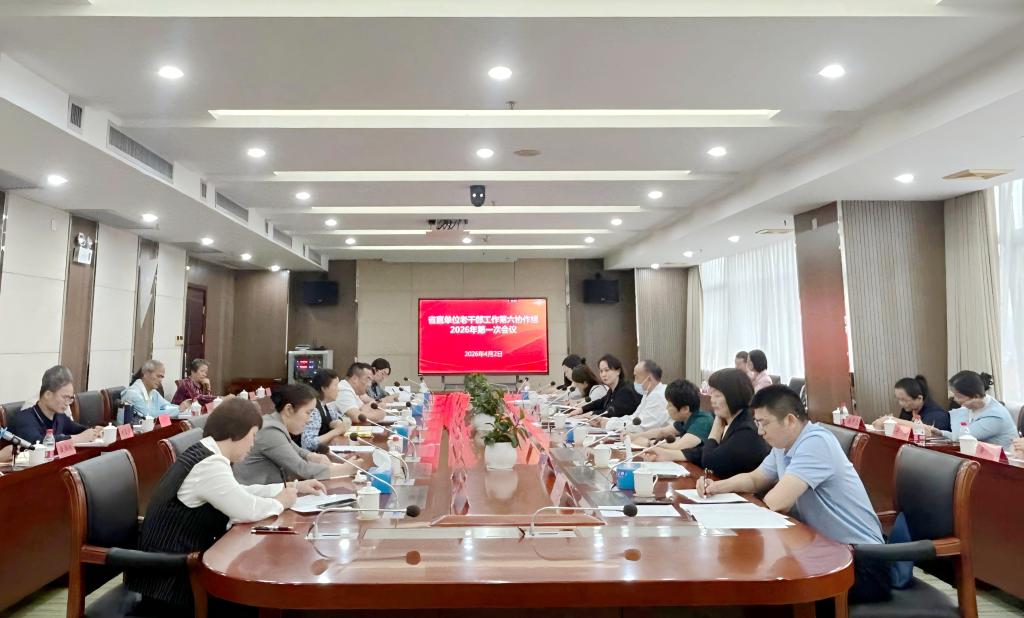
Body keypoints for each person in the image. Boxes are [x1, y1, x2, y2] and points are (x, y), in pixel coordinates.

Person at [126, 399, 325, 614]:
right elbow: (245, 510)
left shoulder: (208, 452)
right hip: (173, 584)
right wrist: (281, 502)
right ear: (237, 433)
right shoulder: (210, 464)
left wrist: (294, 487)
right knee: (257, 599)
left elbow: (237, 492)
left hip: (182, 568)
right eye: (253, 436)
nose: (253, 444)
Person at [699, 385, 890, 603]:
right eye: (757, 423)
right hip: (822, 550)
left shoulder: (816, 442)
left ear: (790, 420)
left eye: (764, 423)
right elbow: (754, 479)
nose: (760, 431)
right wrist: (715, 487)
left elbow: (776, 502)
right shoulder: (783, 446)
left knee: (767, 590)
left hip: (861, 562)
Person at [234, 384, 357, 485]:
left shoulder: (274, 422)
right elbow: (301, 469)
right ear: (289, 409)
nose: (309, 420)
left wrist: (311, 456)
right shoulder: (270, 431)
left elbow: (295, 449)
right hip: (256, 499)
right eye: (308, 413)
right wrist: (346, 469)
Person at [666, 368, 769, 477]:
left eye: (717, 395)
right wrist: (667, 454)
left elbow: (709, 462)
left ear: (734, 396)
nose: (712, 400)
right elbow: (705, 452)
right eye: (712, 395)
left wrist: (715, 432)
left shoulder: (746, 430)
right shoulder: (735, 421)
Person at [8, 365, 102, 445]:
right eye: (65, 397)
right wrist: (76, 439)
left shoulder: (60, 417)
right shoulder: (24, 419)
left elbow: (78, 429)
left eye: (70, 398)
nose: (67, 403)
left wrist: (95, 431)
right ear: (48, 395)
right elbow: (38, 445)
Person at [931, 371, 1017, 448]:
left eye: (959, 397)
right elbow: (961, 435)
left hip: (1004, 459)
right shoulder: (978, 404)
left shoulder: (995, 417)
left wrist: (961, 410)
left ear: (976, 396)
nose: (955, 399)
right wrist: (941, 433)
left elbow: (960, 438)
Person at [633, 379, 714, 450]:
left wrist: (649, 443)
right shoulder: (685, 418)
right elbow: (662, 432)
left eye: (670, 405)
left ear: (685, 409)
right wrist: (633, 437)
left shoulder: (703, 421)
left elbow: (679, 446)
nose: (667, 407)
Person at [600, 360, 668, 432]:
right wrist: (607, 420)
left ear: (649, 379)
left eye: (636, 377)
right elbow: (634, 418)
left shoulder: (658, 396)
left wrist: (610, 424)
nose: (634, 381)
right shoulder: (648, 394)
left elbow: (641, 426)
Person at [870, 375, 950, 432]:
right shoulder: (908, 410)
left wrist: (892, 420)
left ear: (919, 398)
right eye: (898, 399)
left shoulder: (937, 415)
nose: (900, 403)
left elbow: (925, 433)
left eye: (904, 400)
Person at [572, 354, 641, 419]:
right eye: (601, 371)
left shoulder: (626, 390)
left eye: (607, 370)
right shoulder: (613, 389)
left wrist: (589, 415)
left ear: (618, 371)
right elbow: (601, 402)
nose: (603, 374)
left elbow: (611, 412)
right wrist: (581, 409)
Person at [297, 369, 352, 451]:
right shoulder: (313, 410)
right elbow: (308, 444)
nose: (338, 389)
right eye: (336, 385)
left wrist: (337, 422)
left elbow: (345, 420)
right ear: (324, 388)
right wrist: (336, 431)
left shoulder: (327, 405)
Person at [122, 360, 191, 419]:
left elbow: (164, 406)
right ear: (146, 374)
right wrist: (179, 409)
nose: (160, 380)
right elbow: (150, 415)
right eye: (158, 376)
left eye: (162, 377)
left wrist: (182, 407)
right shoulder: (133, 394)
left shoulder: (153, 392)